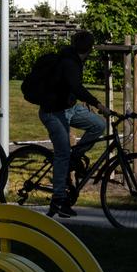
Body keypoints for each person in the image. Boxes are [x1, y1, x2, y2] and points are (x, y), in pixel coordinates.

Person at [35, 30, 112, 218]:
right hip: (53, 112)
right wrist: (98, 104)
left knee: (98, 125)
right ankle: (58, 200)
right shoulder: (70, 61)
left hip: (69, 108)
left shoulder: (74, 59)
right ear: (89, 48)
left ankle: (74, 158)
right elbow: (77, 87)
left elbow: (71, 86)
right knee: (62, 153)